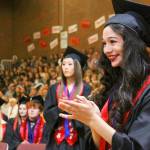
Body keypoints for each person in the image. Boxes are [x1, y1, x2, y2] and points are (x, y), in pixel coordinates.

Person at [58, 0, 150, 150]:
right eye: (104, 44)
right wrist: (95, 122)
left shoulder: (147, 89)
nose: (106, 50)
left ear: (132, 44)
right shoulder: (116, 87)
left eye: (112, 41)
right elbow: (97, 145)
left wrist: (94, 120)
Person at [44, 46, 91, 150]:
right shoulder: (54, 89)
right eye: (63, 64)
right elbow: (47, 115)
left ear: (77, 66)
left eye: (70, 64)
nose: (65, 67)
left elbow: (89, 116)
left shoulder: (86, 89)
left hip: (78, 140)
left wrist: (73, 109)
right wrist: (60, 108)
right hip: (57, 142)